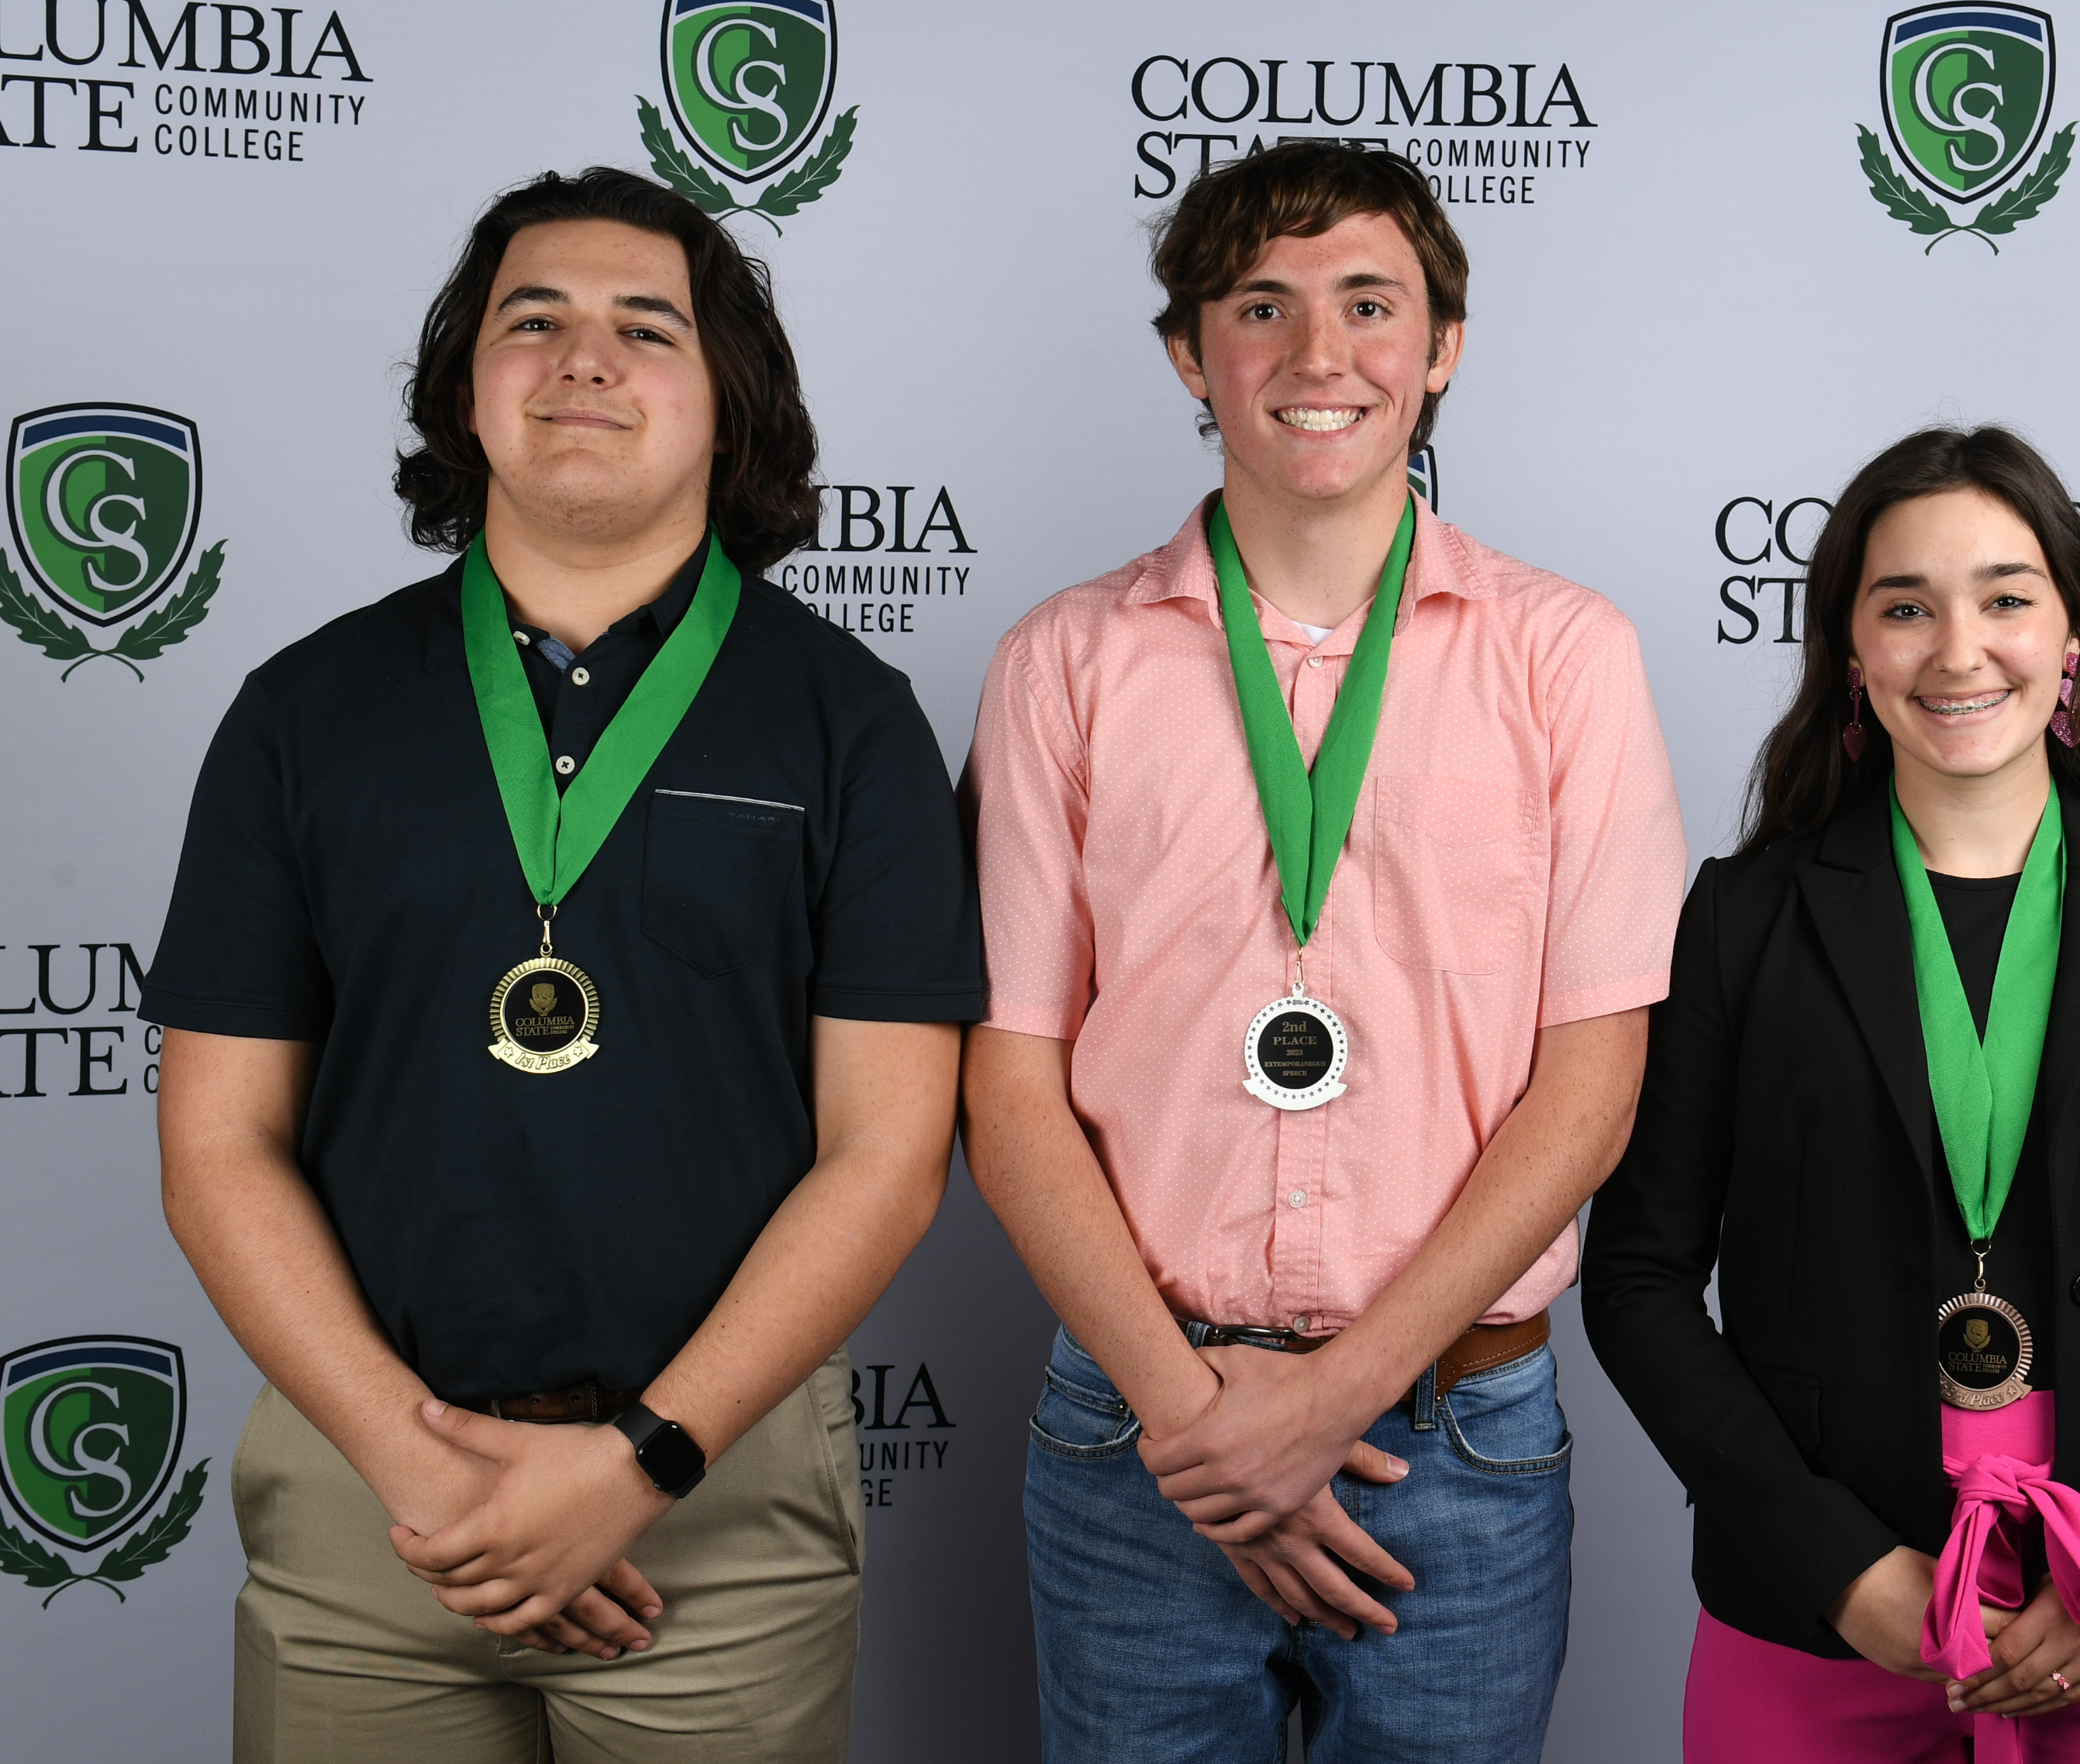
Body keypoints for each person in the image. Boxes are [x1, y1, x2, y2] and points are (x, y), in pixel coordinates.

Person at [145, 167, 981, 1763]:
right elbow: (214, 1144)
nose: (583, 360)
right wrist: (419, 1472)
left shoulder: (849, 722)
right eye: (533, 321)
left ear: (728, 408)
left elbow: (886, 1154)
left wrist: (635, 1468)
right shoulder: (300, 712)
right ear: (469, 392)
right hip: (368, 1507)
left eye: (643, 328)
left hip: (716, 1513)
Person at [961, 140, 1688, 1762]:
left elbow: (1589, 1087)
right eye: (1259, 309)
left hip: (1457, 1431)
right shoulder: (1061, 663)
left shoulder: (1568, 657)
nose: (1317, 358)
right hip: (1140, 1435)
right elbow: (1006, 1087)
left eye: (1370, 306)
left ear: (1441, 349)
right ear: (1185, 353)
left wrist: (1326, 1399)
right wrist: (1204, 1423)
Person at [1582, 425, 2080, 1762]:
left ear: (2073, 637)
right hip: (1816, 1617)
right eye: (1905, 607)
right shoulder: (1741, 923)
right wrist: (1837, 1565)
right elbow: (1636, 1282)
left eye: (2007, 598)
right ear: (1851, 652)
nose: (1958, 651)